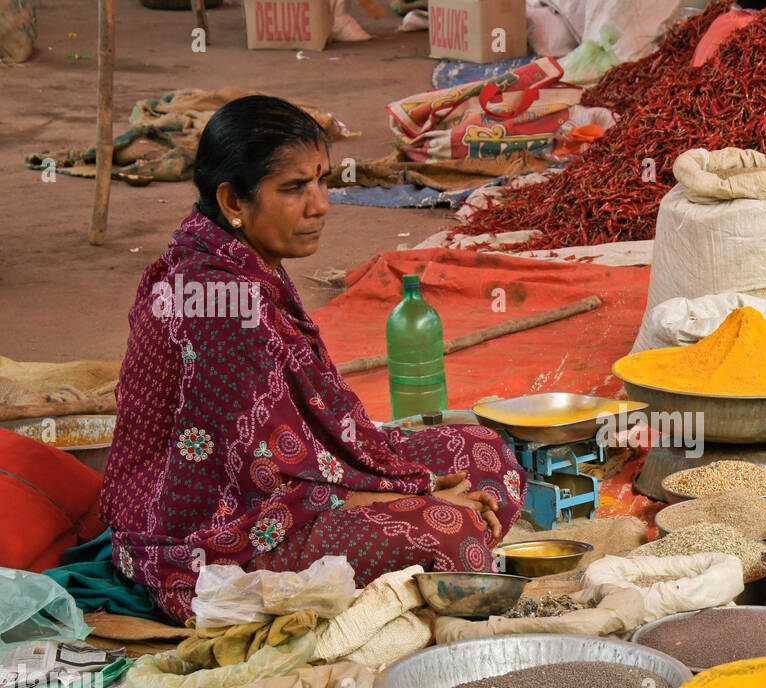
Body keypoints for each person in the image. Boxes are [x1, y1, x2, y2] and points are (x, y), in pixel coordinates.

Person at [100, 95, 526, 623]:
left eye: (321, 181)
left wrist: (405, 484)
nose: (320, 204)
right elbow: (264, 485)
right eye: (294, 188)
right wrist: (406, 500)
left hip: (288, 487)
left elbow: (304, 438)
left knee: (485, 452)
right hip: (215, 539)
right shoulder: (223, 303)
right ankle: (432, 568)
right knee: (454, 532)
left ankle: (425, 569)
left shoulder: (240, 262)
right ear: (233, 200)